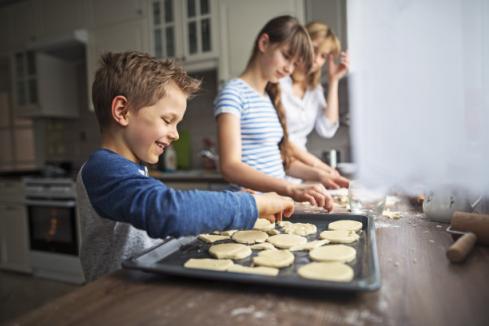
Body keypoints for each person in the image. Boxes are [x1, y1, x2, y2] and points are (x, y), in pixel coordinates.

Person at [76, 51, 294, 282]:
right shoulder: (103, 169)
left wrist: (234, 195)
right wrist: (252, 204)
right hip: (114, 299)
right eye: (168, 120)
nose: (176, 135)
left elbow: (172, 205)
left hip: (146, 286)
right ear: (122, 111)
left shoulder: (131, 166)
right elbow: (167, 211)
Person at [214, 15, 334, 210]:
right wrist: (291, 188)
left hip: (274, 207)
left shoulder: (268, 98)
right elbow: (230, 167)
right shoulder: (233, 92)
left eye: (295, 63)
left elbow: (281, 162)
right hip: (252, 207)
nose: (289, 68)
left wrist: (318, 175)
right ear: (264, 43)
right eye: (286, 56)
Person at [280, 21, 350, 189]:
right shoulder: (278, 82)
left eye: (323, 56)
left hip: (298, 176)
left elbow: (327, 129)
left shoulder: (314, 90)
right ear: (300, 43)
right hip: (273, 170)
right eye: (314, 49)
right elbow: (282, 142)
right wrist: (321, 168)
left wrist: (334, 81)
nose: (316, 59)